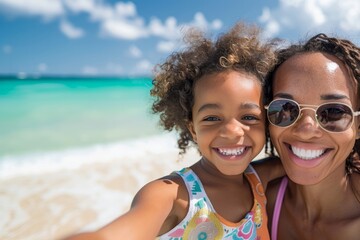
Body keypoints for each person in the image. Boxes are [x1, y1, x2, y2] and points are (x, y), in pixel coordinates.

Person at [64, 21, 284, 240]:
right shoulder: (171, 195)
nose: (232, 131)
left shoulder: (259, 179)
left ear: (266, 123)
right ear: (193, 129)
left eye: (248, 117)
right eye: (212, 118)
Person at [263, 33, 360, 239]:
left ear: (358, 126)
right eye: (285, 109)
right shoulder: (257, 203)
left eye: (334, 112)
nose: (306, 129)